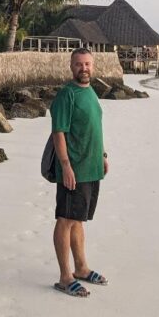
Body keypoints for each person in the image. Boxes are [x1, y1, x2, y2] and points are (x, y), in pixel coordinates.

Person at [50, 48, 109, 297]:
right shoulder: (67, 95)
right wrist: (65, 165)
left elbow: (94, 127)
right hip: (73, 169)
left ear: (92, 66)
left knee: (78, 219)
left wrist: (103, 155)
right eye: (78, 64)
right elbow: (58, 132)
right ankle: (65, 277)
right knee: (66, 219)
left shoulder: (91, 91)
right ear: (71, 66)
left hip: (91, 167)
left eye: (87, 64)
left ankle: (81, 268)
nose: (83, 68)